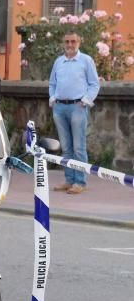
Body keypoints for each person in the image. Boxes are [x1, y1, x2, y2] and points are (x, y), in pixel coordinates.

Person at [49, 30, 100, 194]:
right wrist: (52, 97)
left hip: (78, 107)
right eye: (67, 42)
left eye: (73, 41)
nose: (70, 45)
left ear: (79, 43)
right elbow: (52, 83)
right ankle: (69, 180)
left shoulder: (86, 60)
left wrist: (85, 101)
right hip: (60, 107)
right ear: (64, 43)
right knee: (66, 147)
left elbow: (94, 84)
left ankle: (80, 182)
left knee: (79, 147)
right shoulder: (59, 61)